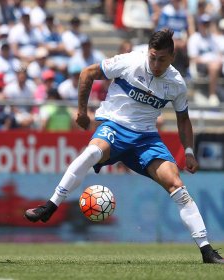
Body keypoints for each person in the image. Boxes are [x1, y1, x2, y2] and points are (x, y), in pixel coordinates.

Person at [24, 28, 224, 264]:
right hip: (115, 127)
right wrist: (81, 112)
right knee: (91, 153)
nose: (156, 64)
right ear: (148, 52)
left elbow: (183, 118)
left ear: (171, 57)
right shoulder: (130, 61)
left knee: (177, 185)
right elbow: (87, 73)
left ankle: (206, 251)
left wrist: (189, 151)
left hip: (147, 139)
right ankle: (50, 206)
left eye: (162, 59)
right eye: (152, 57)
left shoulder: (176, 83)